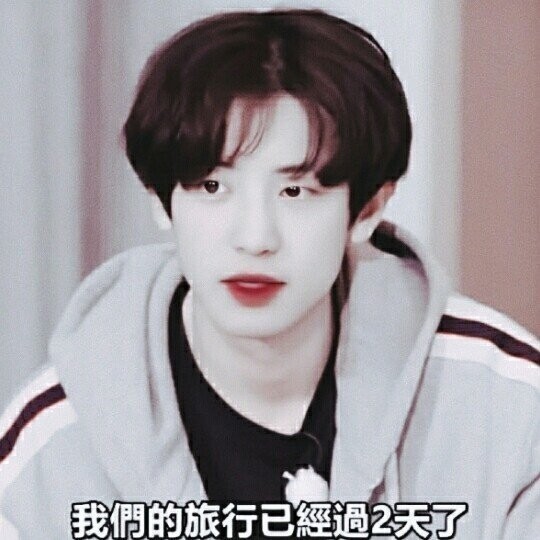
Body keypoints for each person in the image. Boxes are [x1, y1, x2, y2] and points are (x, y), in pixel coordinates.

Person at [0, 9, 538, 540]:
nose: (255, 238)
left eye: (295, 191)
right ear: (163, 202)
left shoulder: (506, 409)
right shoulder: (53, 449)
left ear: (368, 209)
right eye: (213, 187)